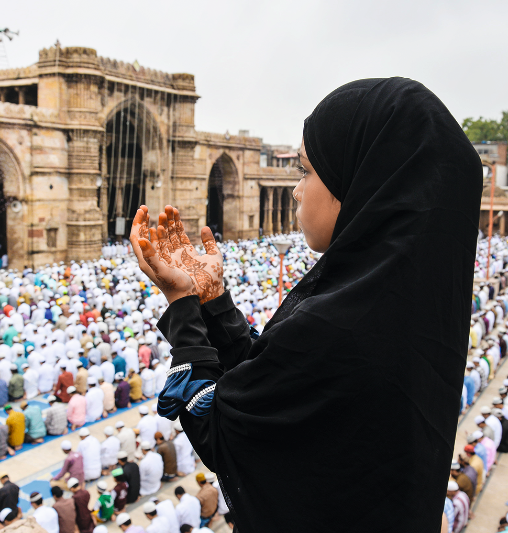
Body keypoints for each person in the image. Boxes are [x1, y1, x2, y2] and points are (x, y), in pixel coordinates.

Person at [131, 79, 481, 531]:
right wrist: (213, 301)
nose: (296, 190)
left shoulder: (340, 324)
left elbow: (225, 430)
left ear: (358, 179)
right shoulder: (407, 306)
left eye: (305, 170)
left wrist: (182, 304)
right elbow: (278, 388)